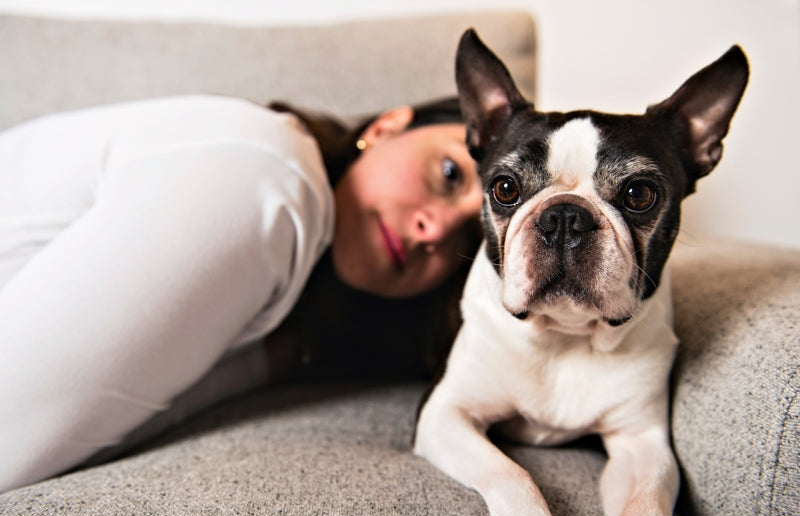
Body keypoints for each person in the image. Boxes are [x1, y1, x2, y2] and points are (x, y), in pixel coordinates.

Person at [0, 94, 483, 492]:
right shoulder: (270, 178)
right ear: (386, 127)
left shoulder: (295, 299)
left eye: (469, 244)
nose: (435, 229)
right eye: (449, 174)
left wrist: (268, 363)